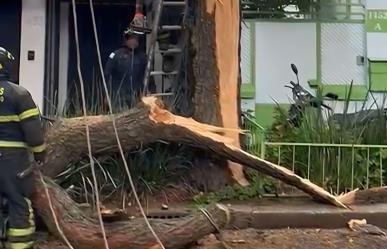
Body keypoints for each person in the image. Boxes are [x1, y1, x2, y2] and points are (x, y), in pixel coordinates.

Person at [0, 47, 46, 249]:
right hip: (12, 158)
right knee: (18, 201)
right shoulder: (19, 94)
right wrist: (40, 153)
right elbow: (33, 131)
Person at [104, 28, 150, 106]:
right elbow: (107, 75)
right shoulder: (115, 55)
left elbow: (148, 75)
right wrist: (106, 94)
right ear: (126, 40)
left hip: (136, 95)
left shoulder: (142, 57)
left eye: (136, 39)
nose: (134, 41)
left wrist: (149, 90)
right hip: (119, 95)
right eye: (132, 38)